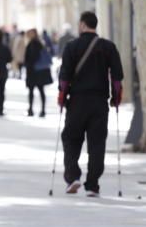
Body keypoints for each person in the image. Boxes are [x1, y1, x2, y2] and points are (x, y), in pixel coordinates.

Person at [57, 11, 124, 197]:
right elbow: (117, 77)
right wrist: (115, 98)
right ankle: (93, 184)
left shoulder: (72, 47)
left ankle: (73, 176)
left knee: (70, 138)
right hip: (99, 103)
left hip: (77, 101)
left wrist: (62, 98)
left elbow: (64, 77)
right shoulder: (108, 47)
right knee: (97, 143)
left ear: (82, 25)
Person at [23, 29, 53, 118]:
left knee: (32, 91)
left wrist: (28, 65)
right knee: (40, 90)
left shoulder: (33, 44)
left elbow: (32, 57)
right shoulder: (40, 43)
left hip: (34, 71)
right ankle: (42, 110)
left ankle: (31, 110)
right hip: (39, 71)